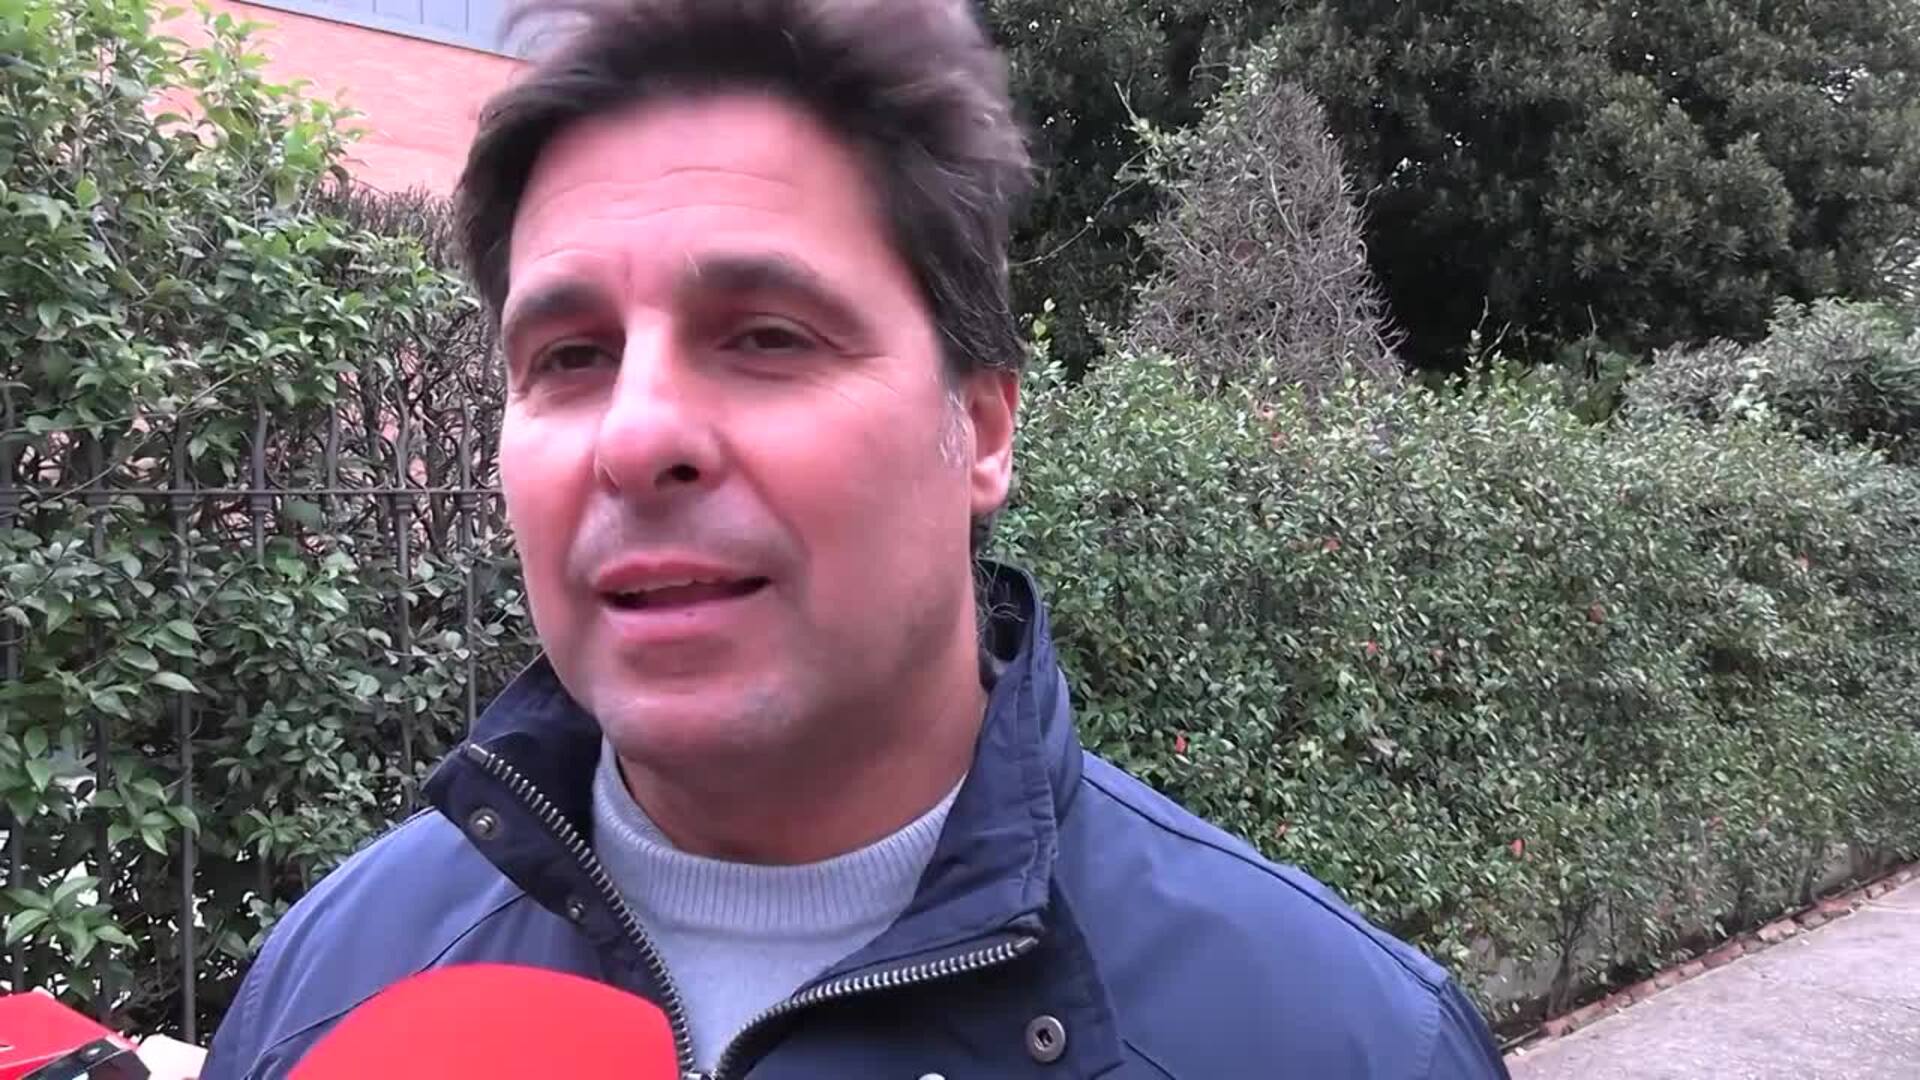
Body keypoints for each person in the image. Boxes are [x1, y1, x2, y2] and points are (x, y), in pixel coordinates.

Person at [202, 1, 1512, 1077]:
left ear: (980, 429)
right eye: (570, 357)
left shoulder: (1346, 1044)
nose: (635, 435)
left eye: (768, 336)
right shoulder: (330, 998)